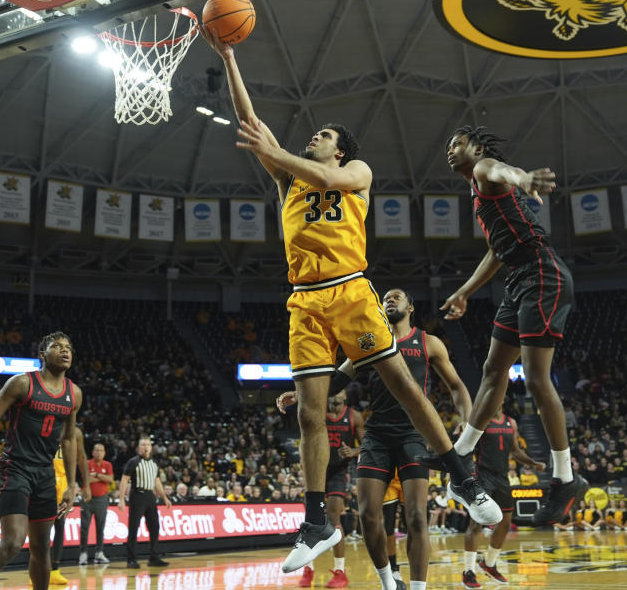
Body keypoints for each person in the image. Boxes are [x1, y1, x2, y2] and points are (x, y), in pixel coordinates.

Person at [203, 29, 501, 577]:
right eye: (311, 134)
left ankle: (461, 477)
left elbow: (311, 168)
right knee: (312, 415)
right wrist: (229, 57)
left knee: (406, 388)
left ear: (339, 149)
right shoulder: (289, 182)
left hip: (351, 291)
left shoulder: (356, 175)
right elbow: (253, 124)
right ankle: (316, 522)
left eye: (323, 135)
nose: (313, 137)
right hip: (304, 302)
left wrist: (278, 153)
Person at [278, 287, 476, 590]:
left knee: (417, 518)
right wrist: (303, 394)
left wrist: (467, 420)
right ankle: (389, 583)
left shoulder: (429, 343)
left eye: (397, 296)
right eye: (385, 299)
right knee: (369, 518)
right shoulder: (369, 341)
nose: (389, 300)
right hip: (377, 435)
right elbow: (340, 377)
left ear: (410, 306)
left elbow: (457, 386)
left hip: (413, 434)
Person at [440, 125, 586, 525]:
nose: (450, 150)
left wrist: (523, 178)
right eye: (448, 146)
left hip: (543, 273)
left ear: (477, 148)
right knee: (492, 369)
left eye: (457, 143)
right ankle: (463, 452)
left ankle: (564, 477)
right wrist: (466, 292)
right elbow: (495, 251)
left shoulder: (486, 168)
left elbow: (506, 171)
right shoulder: (476, 192)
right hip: (519, 278)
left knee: (537, 379)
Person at [0, 332, 82, 590]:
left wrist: (72, 484)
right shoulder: (22, 383)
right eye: (57, 347)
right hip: (15, 468)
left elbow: (69, 439)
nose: (65, 351)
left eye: (68, 348)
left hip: (45, 474)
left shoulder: (74, 393)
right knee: (13, 543)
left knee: (42, 549)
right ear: (42, 355)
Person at [462, 407, 545, 588]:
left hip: (502, 478)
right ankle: (468, 571)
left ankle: (489, 564)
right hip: (482, 476)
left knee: (505, 523)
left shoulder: (511, 422)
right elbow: (467, 447)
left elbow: (515, 451)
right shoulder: (481, 419)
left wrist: (533, 463)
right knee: (475, 523)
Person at [299, 389, 364, 588]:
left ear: (345, 395)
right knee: (311, 519)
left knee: (334, 517)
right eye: (333, 389)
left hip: (337, 471)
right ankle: (307, 568)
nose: (336, 393)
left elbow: (367, 445)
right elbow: (305, 440)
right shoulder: (317, 412)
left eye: (341, 390)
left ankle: (340, 572)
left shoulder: (354, 416)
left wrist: (353, 451)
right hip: (316, 469)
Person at [118, 436, 171, 569]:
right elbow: (124, 480)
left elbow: (157, 481)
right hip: (137, 495)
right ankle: (131, 559)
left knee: (154, 527)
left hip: (150, 496)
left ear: (151, 447)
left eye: (148, 444)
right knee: (133, 528)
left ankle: (153, 557)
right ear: (138, 447)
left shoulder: (154, 462)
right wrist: (121, 499)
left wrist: (164, 497)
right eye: (143, 445)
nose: (145, 447)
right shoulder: (133, 462)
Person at [47, 427, 88, 586]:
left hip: (63, 486)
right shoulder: (47, 427)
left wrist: (85, 485)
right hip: (45, 483)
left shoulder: (74, 433)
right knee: (41, 531)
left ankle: (55, 570)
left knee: (60, 527)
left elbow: (82, 457)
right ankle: (37, 570)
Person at [79, 441, 112, 565]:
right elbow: (86, 478)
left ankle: (99, 553)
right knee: (84, 528)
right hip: (88, 499)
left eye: (101, 450)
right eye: (96, 450)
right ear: (92, 452)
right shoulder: (87, 463)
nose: (99, 452)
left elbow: (110, 479)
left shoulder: (108, 464)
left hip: (102, 499)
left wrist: (97, 475)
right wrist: (102, 477)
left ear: (104, 453)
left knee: (100, 527)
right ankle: (83, 554)